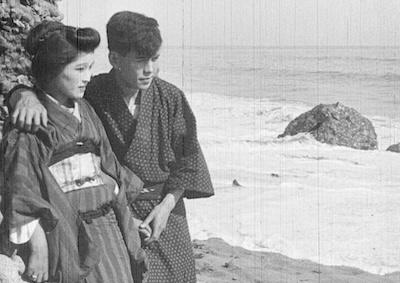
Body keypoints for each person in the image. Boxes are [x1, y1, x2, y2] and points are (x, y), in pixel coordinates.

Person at [7, 11, 214, 283]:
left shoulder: (170, 98)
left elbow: (189, 161)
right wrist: (22, 95)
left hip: (166, 211)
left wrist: (166, 207)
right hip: (117, 213)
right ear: (115, 59)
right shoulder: (93, 93)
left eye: (155, 59)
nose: (150, 69)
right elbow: (52, 86)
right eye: (140, 61)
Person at [1, 21, 147, 283]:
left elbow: (108, 164)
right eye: (80, 69)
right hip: (63, 231)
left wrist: (123, 211)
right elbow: (20, 188)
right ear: (51, 71)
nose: (88, 77)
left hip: (108, 226)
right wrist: (38, 246)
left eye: (90, 67)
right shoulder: (29, 122)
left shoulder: (86, 109)